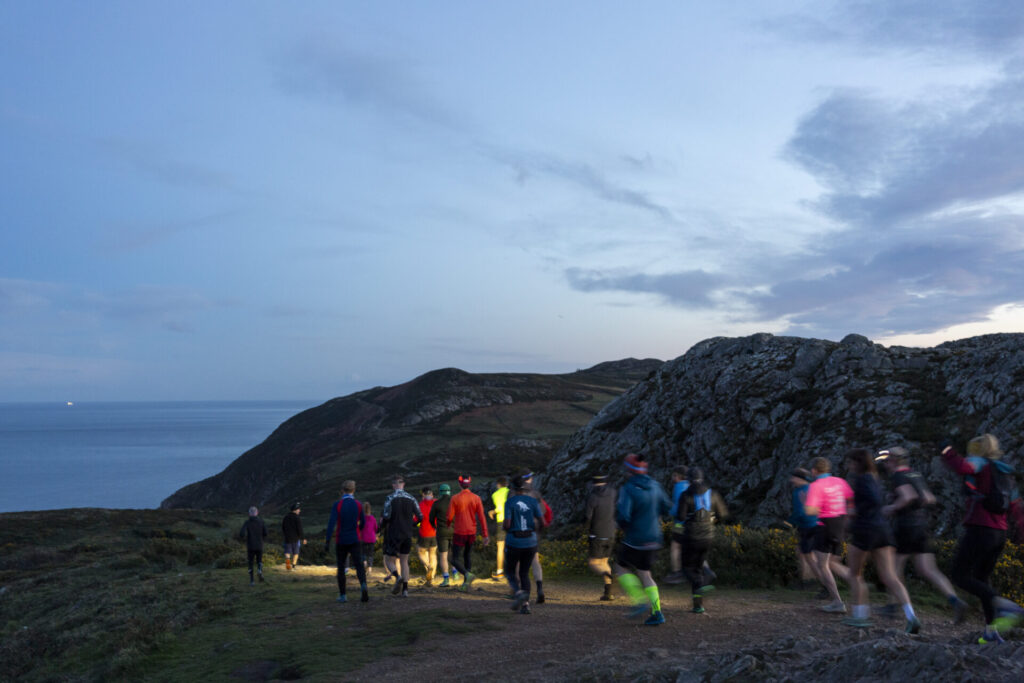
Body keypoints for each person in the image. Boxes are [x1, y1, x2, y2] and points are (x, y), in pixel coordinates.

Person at [940, 434, 1024, 644]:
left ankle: (1004, 604)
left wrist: (947, 451)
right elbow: (1017, 509)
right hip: (999, 535)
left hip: (980, 529)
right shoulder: (1005, 474)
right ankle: (990, 631)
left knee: (959, 575)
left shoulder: (980, 462)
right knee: (981, 579)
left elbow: (964, 468)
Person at [876, 447, 968, 621]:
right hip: (921, 526)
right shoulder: (915, 475)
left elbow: (908, 496)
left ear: (895, 460)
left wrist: (891, 507)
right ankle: (955, 600)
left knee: (894, 569)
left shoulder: (897, 476)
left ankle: (893, 606)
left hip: (905, 526)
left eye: (887, 460)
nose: (886, 464)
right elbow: (929, 498)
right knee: (928, 569)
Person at [840, 448, 920, 633]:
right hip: (884, 531)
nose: (849, 465)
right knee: (890, 576)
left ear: (857, 463)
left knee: (855, 574)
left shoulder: (861, 480)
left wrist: (852, 516)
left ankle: (860, 616)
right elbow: (876, 502)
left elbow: (864, 505)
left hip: (864, 531)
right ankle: (911, 616)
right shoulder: (876, 479)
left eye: (851, 462)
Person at [614, 453, 672, 626]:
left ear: (628, 470)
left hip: (635, 538)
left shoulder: (628, 489)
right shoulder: (656, 486)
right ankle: (657, 612)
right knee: (645, 574)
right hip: (654, 538)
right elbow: (667, 507)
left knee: (620, 568)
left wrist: (623, 527)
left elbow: (624, 515)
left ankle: (639, 600)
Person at [803, 456, 854, 614]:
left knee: (822, 565)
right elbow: (851, 499)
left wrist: (812, 503)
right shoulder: (840, 481)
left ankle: (837, 602)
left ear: (814, 471)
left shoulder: (816, 485)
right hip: (841, 524)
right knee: (833, 564)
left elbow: (810, 511)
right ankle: (858, 583)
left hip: (825, 525)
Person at [675, 467, 728, 614]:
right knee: (698, 569)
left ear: (689, 479)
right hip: (708, 536)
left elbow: (680, 516)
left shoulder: (686, 495)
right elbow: (723, 514)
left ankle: (706, 578)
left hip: (691, 536)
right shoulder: (713, 494)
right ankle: (698, 605)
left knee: (687, 569)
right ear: (702, 478)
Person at [504, 474, 546, 614]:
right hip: (530, 541)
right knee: (524, 573)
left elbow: (507, 524)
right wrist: (535, 533)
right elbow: (543, 522)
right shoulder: (533, 501)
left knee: (510, 571)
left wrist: (506, 529)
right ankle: (526, 605)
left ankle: (518, 592)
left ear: (514, 488)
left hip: (514, 541)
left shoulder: (510, 502)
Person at [325, 480, 369, 603]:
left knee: (341, 567)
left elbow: (331, 524)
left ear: (342, 490)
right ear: (353, 490)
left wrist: (328, 540)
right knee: (359, 565)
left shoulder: (337, 505)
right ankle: (363, 585)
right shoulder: (358, 504)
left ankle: (343, 595)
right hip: (355, 538)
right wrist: (357, 530)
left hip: (341, 539)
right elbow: (363, 523)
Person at [382, 474, 422, 597]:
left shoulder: (390, 498)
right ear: (403, 484)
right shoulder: (411, 498)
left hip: (394, 533)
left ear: (393, 485)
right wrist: (413, 524)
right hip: (407, 533)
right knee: (405, 561)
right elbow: (420, 516)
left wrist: (381, 529)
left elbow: (386, 516)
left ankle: (397, 576)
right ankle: (405, 590)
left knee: (389, 559)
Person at [447, 474, 490, 591]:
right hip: (471, 532)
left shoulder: (455, 498)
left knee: (453, 559)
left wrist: (447, 525)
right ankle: (467, 584)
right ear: (469, 483)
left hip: (459, 532)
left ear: (459, 483)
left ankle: (467, 575)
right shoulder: (476, 498)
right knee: (467, 555)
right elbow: (482, 518)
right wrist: (485, 535)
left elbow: (449, 517)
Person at [584, 474, 617, 601]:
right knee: (604, 562)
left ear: (593, 483)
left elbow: (588, 516)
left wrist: (585, 528)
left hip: (597, 534)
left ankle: (608, 575)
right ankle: (608, 592)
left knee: (593, 563)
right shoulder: (613, 493)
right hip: (611, 533)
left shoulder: (592, 497)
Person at [521, 471, 552, 603]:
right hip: (534, 532)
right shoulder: (536, 494)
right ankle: (540, 590)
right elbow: (544, 512)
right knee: (535, 561)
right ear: (531, 479)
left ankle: (522, 594)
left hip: (520, 532)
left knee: (520, 565)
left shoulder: (515, 494)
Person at [786, 468, 818, 590]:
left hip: (807, 526)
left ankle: (810, 582)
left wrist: (789, 522)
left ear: (800, 478)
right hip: (814, 525)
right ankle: (807, 580)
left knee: (807, 555)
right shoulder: (812, 488)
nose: (792, 480)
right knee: (803, 553)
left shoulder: (800, 492)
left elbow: (800, 512)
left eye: (794, 477)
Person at [430, 483, 456, 586]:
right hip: (454, 531)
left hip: (442, 532)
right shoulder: (454, 502)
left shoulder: (437, 503)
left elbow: (431, 519)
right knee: (454, 554)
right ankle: (456, 573)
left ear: (440, 492)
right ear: (449, 491)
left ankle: (446, 579)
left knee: (443, 556)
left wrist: (435, 527)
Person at [239, 506, 267, 585]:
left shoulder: (247, 522)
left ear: (249, 514)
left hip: (250, 545)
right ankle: (259, 570)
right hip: (259, 545)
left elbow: (241, 534)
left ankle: (252, 581)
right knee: (259, 560)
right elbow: (266, 533)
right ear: (257, 513)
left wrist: (245, 537)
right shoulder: (261, 522)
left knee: (250, 562)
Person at [489, 476, 510, 579]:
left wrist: (492, 512)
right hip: (512, 521)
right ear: (506, 484)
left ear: (498, 485)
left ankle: (500, 571)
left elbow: (499, 508)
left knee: (500, 547)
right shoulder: (510, 492)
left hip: (501, 521)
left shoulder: (495, 494)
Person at [417, 487, 438, 585]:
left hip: (424, 533)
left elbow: (416, 519)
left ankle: (428, 567)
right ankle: (431, 578)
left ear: (423, 495)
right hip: (435, 533)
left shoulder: (420, 505)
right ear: (432, 495)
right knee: (433, 554)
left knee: (421, 552)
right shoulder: (436, 503)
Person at [281, 502, 306, 571]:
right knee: (296, 553)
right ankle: (294, 566)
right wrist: (303, 538)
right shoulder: (297, 518)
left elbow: (283, 527)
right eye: (298, 509)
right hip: (295, 538)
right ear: (295, 510)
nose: (299, 511)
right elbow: (300, 529)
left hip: (287, 538)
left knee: (287, 552)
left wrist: (285, 534)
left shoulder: (286, 517)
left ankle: (288, 564)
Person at [359, 501, 379, 575]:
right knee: (370, 554)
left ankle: (364, 563)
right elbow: (376, 529)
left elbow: (359, 528)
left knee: (363, 552)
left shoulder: (361, 519)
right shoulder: (373, 518)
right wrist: (376, 536)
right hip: (371, 538)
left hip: (363, 538)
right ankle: (370, 568)